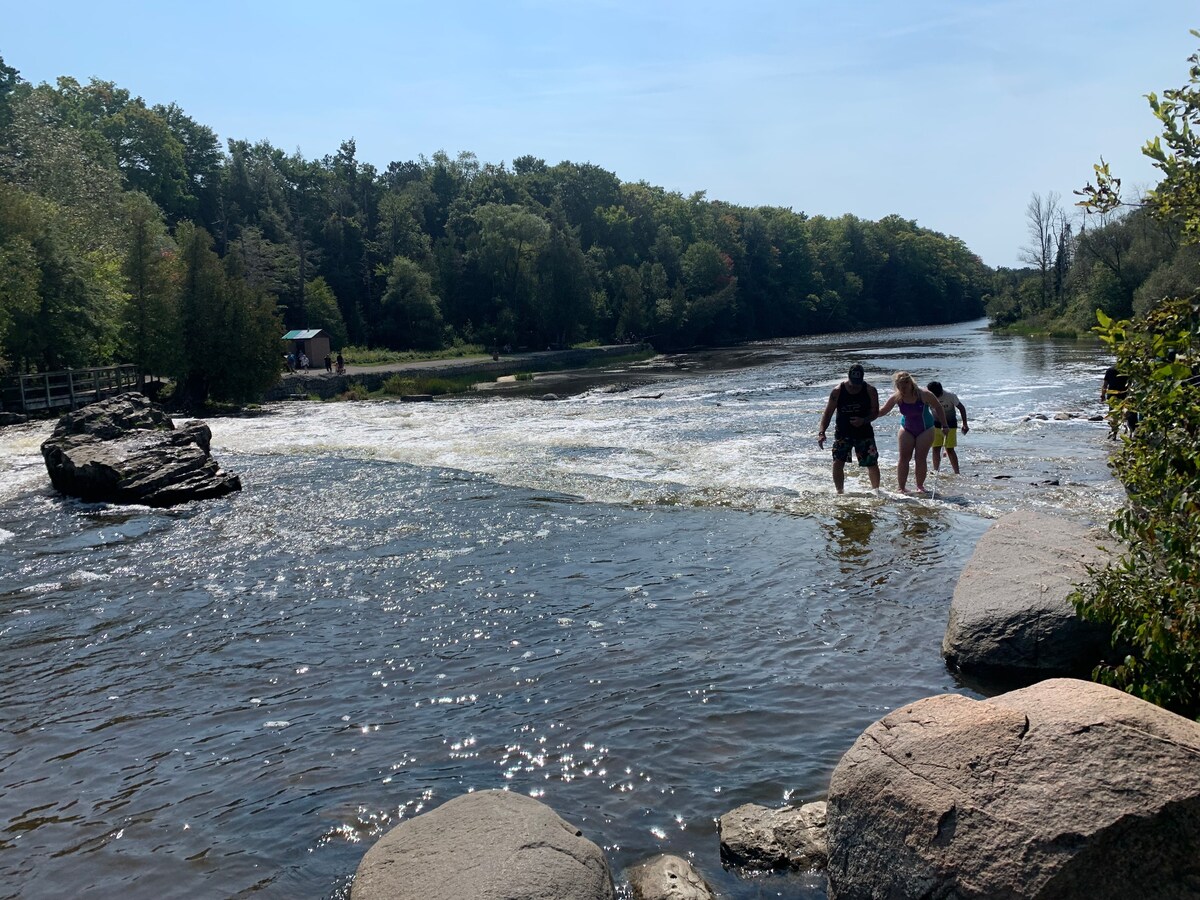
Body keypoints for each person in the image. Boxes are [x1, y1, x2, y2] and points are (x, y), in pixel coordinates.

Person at [877, 371, 949, 493]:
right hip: (906, 428)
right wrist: (866, 415)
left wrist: (945, 425)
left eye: (904, 387)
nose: (902, 390)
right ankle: (901, 488)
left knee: (920, 458)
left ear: (910, 383)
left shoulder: (924, 394)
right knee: (903, 458)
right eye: (899, 387)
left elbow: (938, 407)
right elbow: (883, 410)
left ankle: (920, 486)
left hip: (926, 429)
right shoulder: (897, 397)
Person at [817, 363, 881, 493]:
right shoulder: (838, 391)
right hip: (843, 432)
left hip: (864, 432)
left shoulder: (870, 390)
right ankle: (839, 492)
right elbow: (828, 412)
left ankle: (877, 491)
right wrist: (822, 432)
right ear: (848, 378)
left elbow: (875, 412)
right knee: (838, 462)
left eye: (858, 383)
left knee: (871, 463)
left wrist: (863, 420)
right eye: (853, 383)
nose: (855, 387)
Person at [926, 381, 969, 474]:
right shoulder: (927, 397)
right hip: (936, 424)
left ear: (941, 391)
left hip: (951, 424)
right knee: (936, 448)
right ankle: (936, 470)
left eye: (937, 395)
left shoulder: (950, 396)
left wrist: (965, 424)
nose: (936, 397)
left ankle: (957, 472)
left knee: (949, 449)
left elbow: (961, 408)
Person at [1101, 366, 1137, 438]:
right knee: (1128, 415)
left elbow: (1105, 385)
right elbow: (1131, 385)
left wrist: (1102, 395)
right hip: (1125, 396)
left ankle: (1114, 433)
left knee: (1114, 415)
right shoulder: (1128, 370)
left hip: (1112, 396)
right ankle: (1131, 434)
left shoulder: (1110, 370)